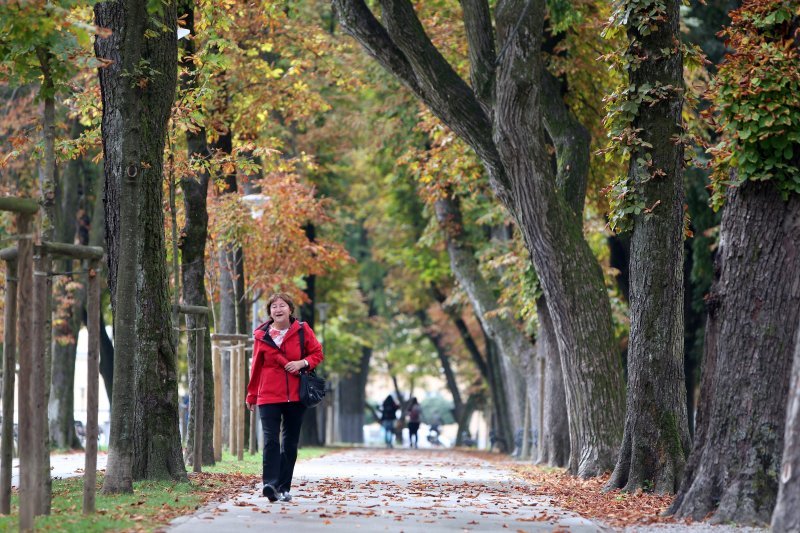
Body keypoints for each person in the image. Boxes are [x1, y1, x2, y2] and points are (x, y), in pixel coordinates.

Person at [246, 293, 324, 503]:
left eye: (282, 306)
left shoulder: (302, 330)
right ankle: (270, 484)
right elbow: (256, 366)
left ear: (290, 309)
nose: (277, 310)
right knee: (271, 440)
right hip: (268, 394)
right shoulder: (261, 335)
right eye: (273, 307)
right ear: (270, 312)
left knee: (289, 443)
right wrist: (252, 394)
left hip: (296, 395)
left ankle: (284, 486)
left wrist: (302, 363)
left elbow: (317, 353)